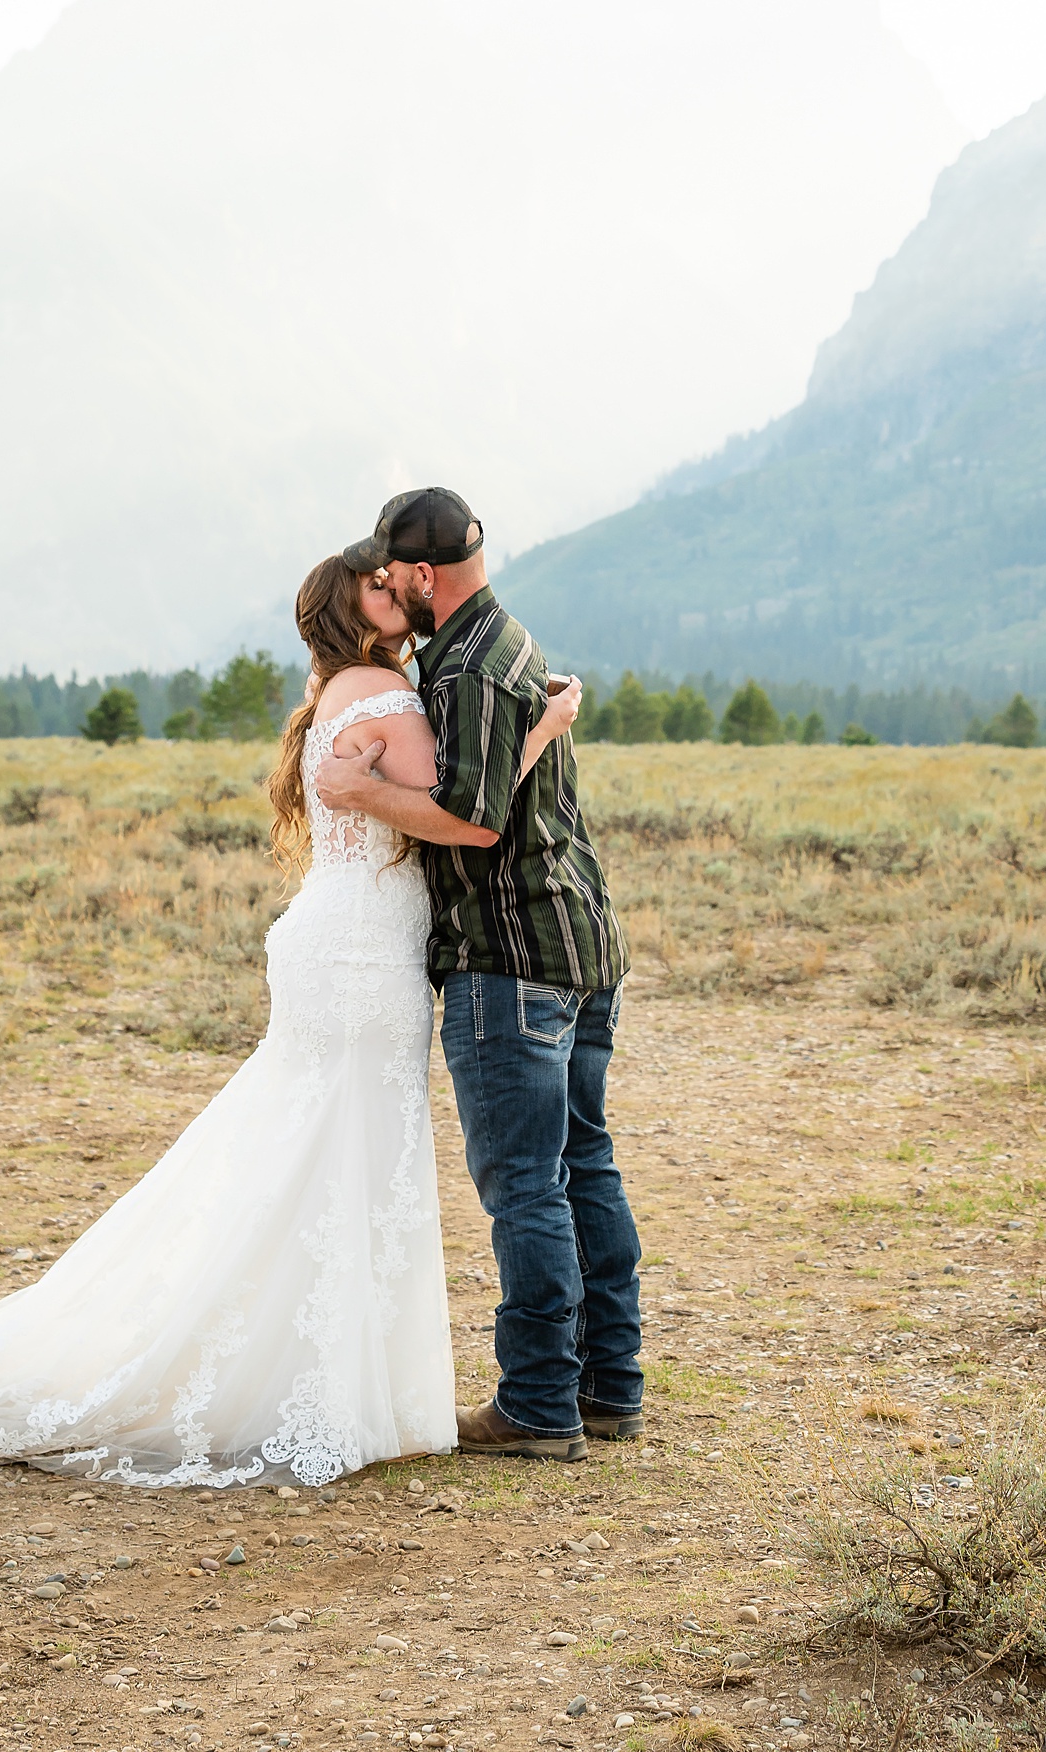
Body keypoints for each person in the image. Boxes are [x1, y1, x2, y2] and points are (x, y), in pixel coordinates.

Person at [0, 554, 579, 1484]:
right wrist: (544, 728)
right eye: (381, 592)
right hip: (357, 953)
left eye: (398, 586)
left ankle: (302, 1374)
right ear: (352, 618)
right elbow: (461, 815)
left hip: (344, 939)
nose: (401, 600)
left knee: (314, 1152)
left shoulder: (343, 692)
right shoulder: (379, 691)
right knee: (340, 1150)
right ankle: (309, 1382)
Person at [316, 487, 643, 1461]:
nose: (390, 590)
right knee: (584, 1163)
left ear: (422, 575)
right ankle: (607, 1386)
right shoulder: (510, 640)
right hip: (581, 942)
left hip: (510, 958)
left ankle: (539, 1405)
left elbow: (474, 817)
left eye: (394, 575)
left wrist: (360, 788)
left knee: (524, 1187)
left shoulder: (462, 669)